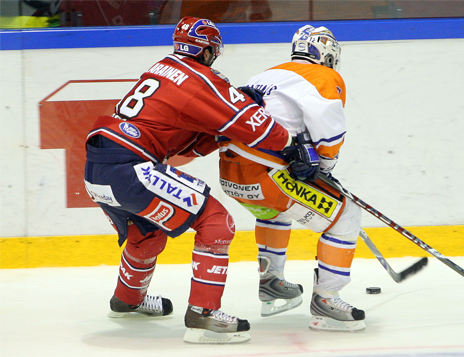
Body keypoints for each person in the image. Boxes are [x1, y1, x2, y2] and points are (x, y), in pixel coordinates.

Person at [83, 17, 318, 344]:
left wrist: (228, 119)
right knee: (217, 223)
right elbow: (252, 124)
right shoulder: (200, 78)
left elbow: (188, 141)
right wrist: (290, 146)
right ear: (208, 50)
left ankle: (127, 300)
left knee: (145, 233)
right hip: (130, 165)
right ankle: (203, 315)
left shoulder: (162, 67)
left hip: (97, 167)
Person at [218, 25, 366, 332]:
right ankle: (326, 300)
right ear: (326, 53)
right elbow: (329, 134)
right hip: (268, 177)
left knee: (277, 211)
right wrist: (324, 169)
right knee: (346, 216)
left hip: (231, 174)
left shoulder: (264, 75)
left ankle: (271, 282)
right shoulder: (324, 77)